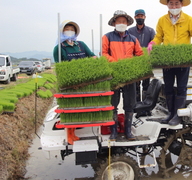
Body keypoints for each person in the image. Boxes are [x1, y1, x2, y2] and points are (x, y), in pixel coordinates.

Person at [148, 0, 192, 126]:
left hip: (183, 61)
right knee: (167, 88)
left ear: (182, 4)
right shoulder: (162, 20)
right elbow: (159, 37)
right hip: (167, 61)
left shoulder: (189, 20)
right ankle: (170, 113)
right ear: (167, 5)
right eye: (171, 4)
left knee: (181, 88)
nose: (174, 6)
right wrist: (153, 43)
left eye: (176, 3)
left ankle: (178, 115)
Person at [102, 10, 144, 141]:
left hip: (129, 77)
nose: (121, 23)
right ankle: (113, 131)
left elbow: (140, 54)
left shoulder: (133, 39)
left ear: (127, 23)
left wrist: (132, 66)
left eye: (124, 21)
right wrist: (117, 63)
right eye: (119, 21)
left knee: (129, 104)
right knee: (113, 103)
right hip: (113, 76)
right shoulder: (107, 37)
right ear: (114, 23)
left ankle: (128, 131)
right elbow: (103, 54)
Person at [53, 20, 96, 145]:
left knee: (79, 108)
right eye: (67, 29)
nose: (70, 31)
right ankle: (69, 135)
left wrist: (94, 59)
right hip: (69, 84)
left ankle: (74, 133)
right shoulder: (59, 48)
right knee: (70, 109)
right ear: (62, 31)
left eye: (72, 29)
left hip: (83, 82)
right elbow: (60, 67)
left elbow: (91, 56)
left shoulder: (81, 45)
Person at [128, 9, 156, 102]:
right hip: (134, 62)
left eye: (141, 16)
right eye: (138, 16)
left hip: (146, 61)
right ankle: (136, 104)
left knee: (146, 84)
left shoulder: (150, 31)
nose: (140, 18)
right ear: (135, 17)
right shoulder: (130, 31)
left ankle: (145, 105)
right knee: (135, 84)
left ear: (145, 17)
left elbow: (154, 45)